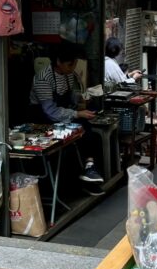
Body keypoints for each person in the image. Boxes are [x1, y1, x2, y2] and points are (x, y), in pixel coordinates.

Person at [29, 43, 103, 186]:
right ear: (58, 61)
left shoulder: (67, 74)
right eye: (70, 64)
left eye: (74, 64)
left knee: (87, 128)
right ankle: (83, 172)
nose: (73, 68)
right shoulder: (43, 78)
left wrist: (80, 97)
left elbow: (68, 95)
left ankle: (89, 167)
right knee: (79, 129)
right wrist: (77, 113)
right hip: (43, 119)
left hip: (60, 115)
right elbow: (50, 111)